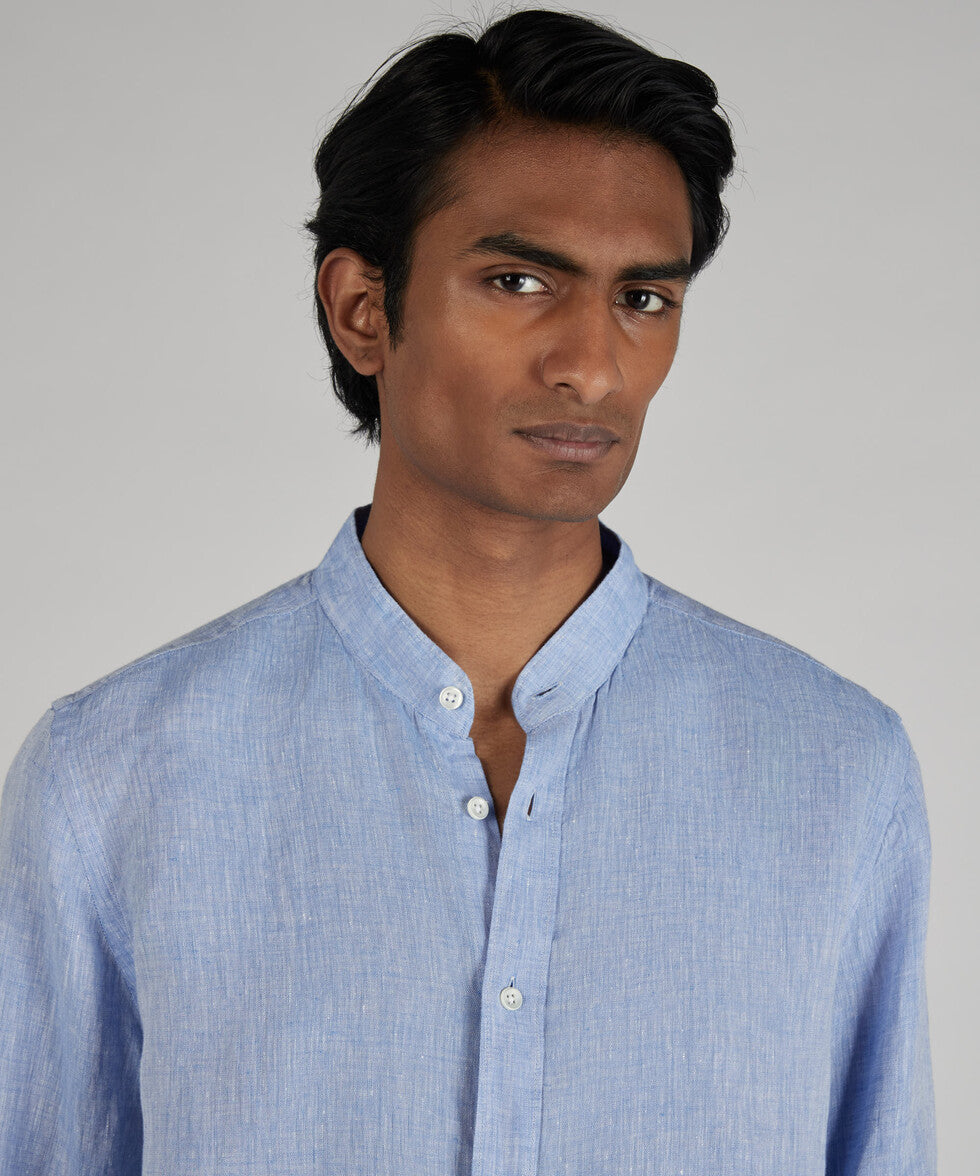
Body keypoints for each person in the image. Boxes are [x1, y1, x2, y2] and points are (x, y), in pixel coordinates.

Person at [0, 8, 936, 1173]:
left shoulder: (835, 775)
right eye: (517, 280)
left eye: (642, 299)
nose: (590, 365)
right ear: (361, 309)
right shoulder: (113, 778)